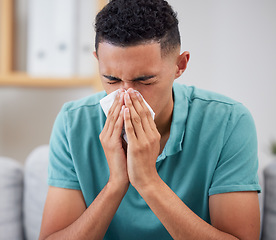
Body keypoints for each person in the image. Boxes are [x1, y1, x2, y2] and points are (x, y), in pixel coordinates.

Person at [39, 0, 261, 239]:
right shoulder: (73, 123)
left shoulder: (229, 122)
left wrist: (147, 181)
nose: (124, 96)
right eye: (111, 79)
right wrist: (116, 184)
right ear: (98, 62)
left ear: (180, 65)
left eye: (145, 81)